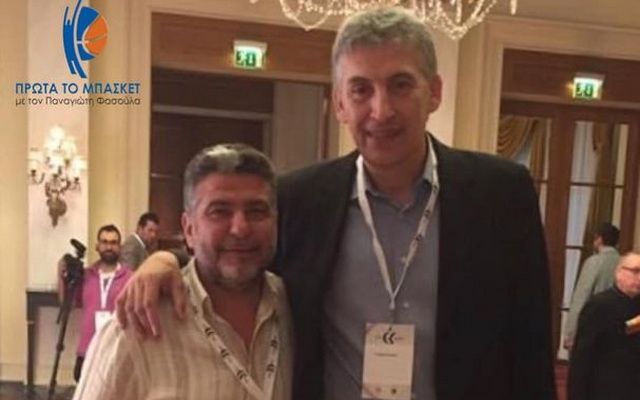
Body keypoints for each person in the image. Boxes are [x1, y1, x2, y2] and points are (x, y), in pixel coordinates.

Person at [117, 7, 555, 400]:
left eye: (400, 85)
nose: (381, 110)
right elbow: (240, 254)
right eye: (361, 90)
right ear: (341, 103)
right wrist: (165, 261)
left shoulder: (501, 195)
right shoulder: (301, 198)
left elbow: (532, 346)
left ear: (434, 92)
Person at [73, 144, 293, 400]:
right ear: (189, 229)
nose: (240, 228)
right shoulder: (133, 329)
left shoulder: (296, 308)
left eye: (256, 211)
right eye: (219, 212)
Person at [57, 224, 133, 382]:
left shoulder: (130, 277)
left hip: (116, 350)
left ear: (119, 247)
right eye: (104, 242)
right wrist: (60, 275)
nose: (109, 247)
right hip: (88, 349)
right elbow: (67, 304)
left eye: (113, 243)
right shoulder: (85, 276)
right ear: (97, 246)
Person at [567, 252, 640, 400]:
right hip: (604, 386)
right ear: (619, 272)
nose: (639, 277)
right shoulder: (599, 305)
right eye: (635, 271)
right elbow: (582, 356)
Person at [563, 222, 620, 351]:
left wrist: (570, 334)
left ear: (599, 239)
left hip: (593, 326)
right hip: (616, 327)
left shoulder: (594, 262)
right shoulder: (622, 262)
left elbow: (581, 298)